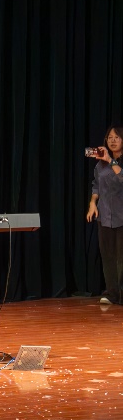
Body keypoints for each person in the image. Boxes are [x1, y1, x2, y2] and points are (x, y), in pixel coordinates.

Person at [87, 125, 123, 304]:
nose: (113, 141)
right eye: (110, 137)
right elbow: (96, 186)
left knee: (121, 258)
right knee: (108, 256)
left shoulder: (113, 161)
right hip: (105, 216)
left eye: (117, 137)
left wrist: (110, 160)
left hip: (121, 216)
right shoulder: (99, 165)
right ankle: (111, 293)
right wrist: (92, 203)